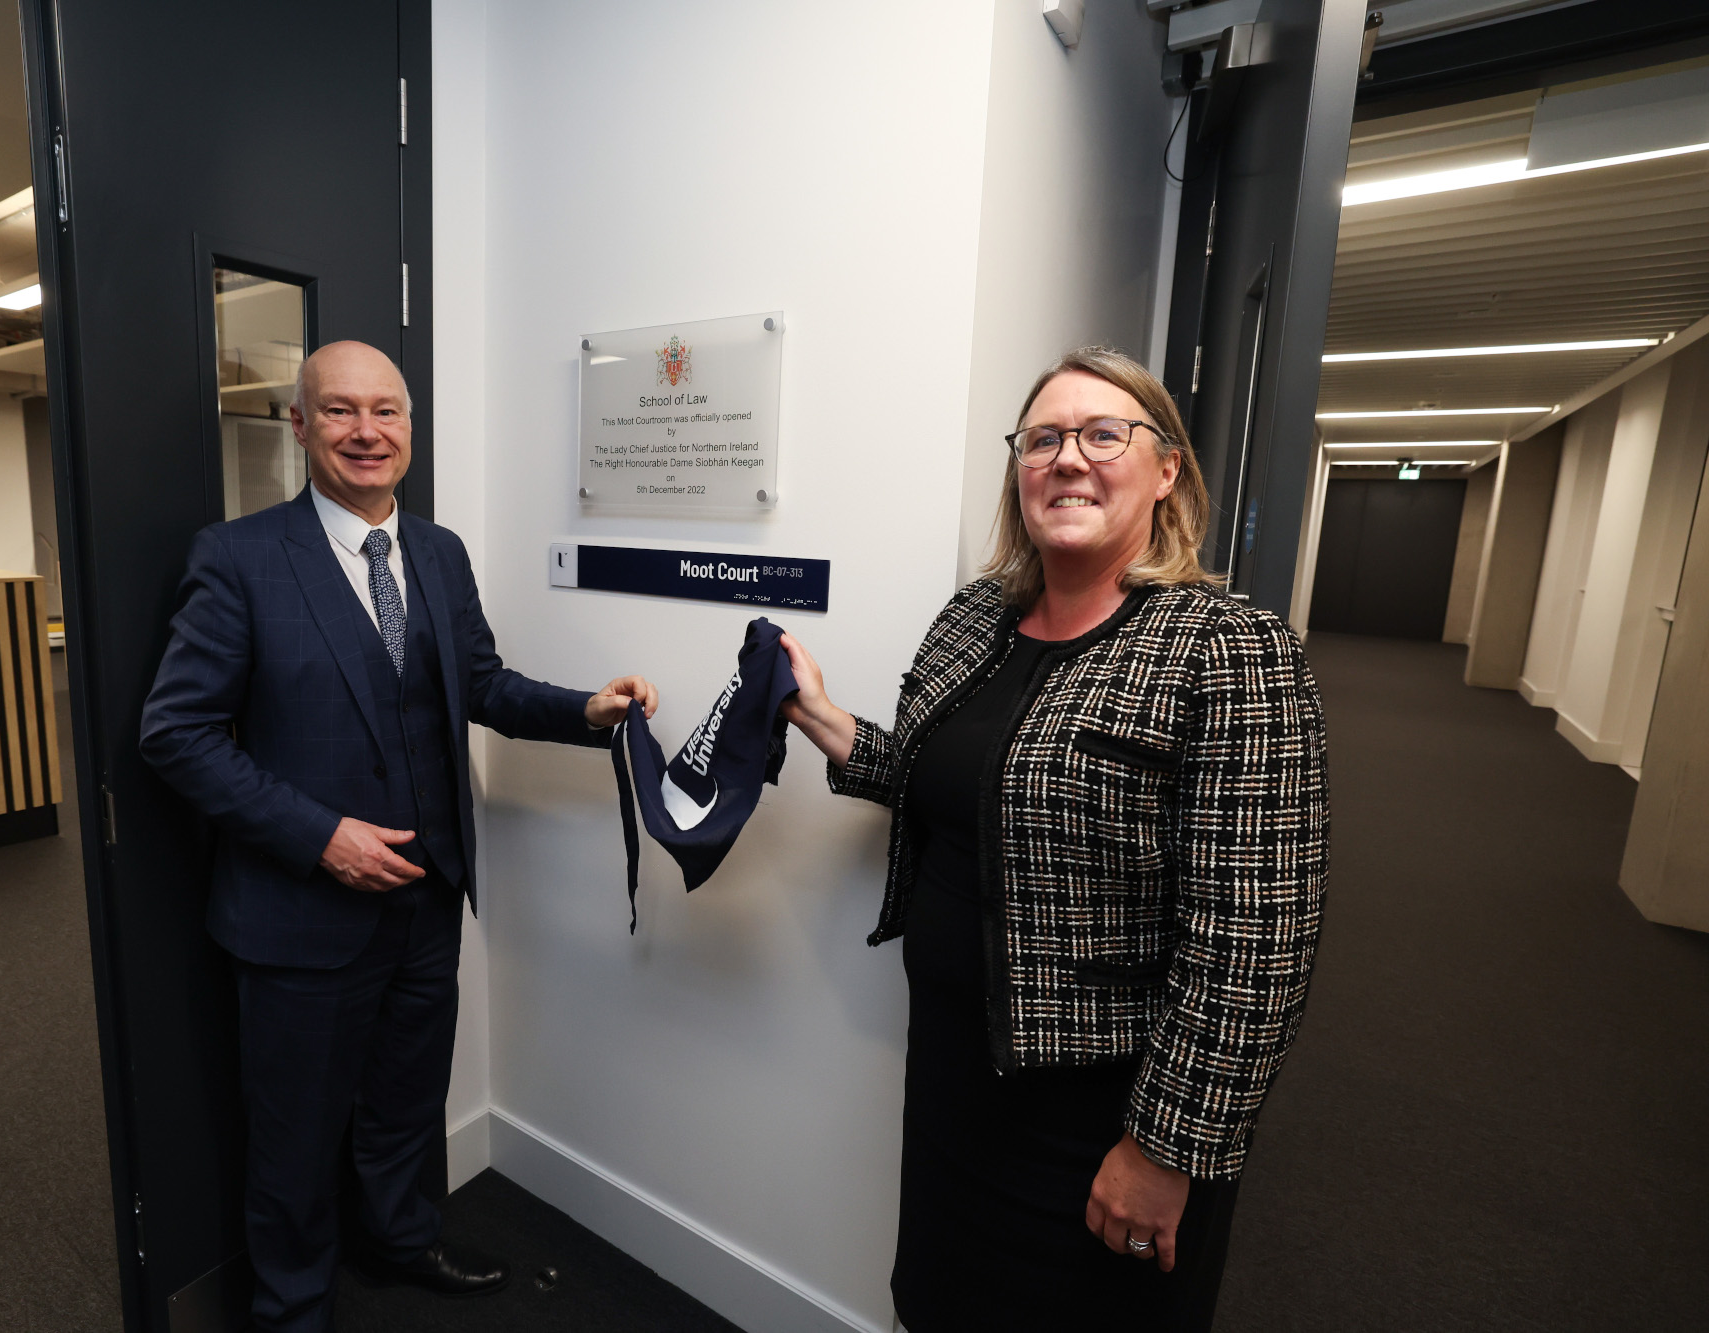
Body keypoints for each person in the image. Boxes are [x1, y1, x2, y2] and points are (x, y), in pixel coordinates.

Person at [778, 346, 1328, 1330]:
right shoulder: (973, 618)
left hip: (1099, 1115)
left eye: (1101, 433)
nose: (1066, 457)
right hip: (954, 1077)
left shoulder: (1225, 645)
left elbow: (1255, 939)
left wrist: (1164, 1147)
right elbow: (950, 788)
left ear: (1165, 471)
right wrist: (828, 724)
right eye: (1042, 439)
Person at [140, 341, 658, 1333]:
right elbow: (176, 732)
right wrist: (319, 835)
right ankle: (291, 1309)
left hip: (425, 898)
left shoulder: (438, 552)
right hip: (298, 916)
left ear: (410, 430)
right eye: (338, 411)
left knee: (403, 1103)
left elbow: (483, 685)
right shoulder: (239, 559)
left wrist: (584, 709)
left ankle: (399, 1239)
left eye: (386, 411)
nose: (365, 431)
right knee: (292, 1142)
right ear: (298, 426)